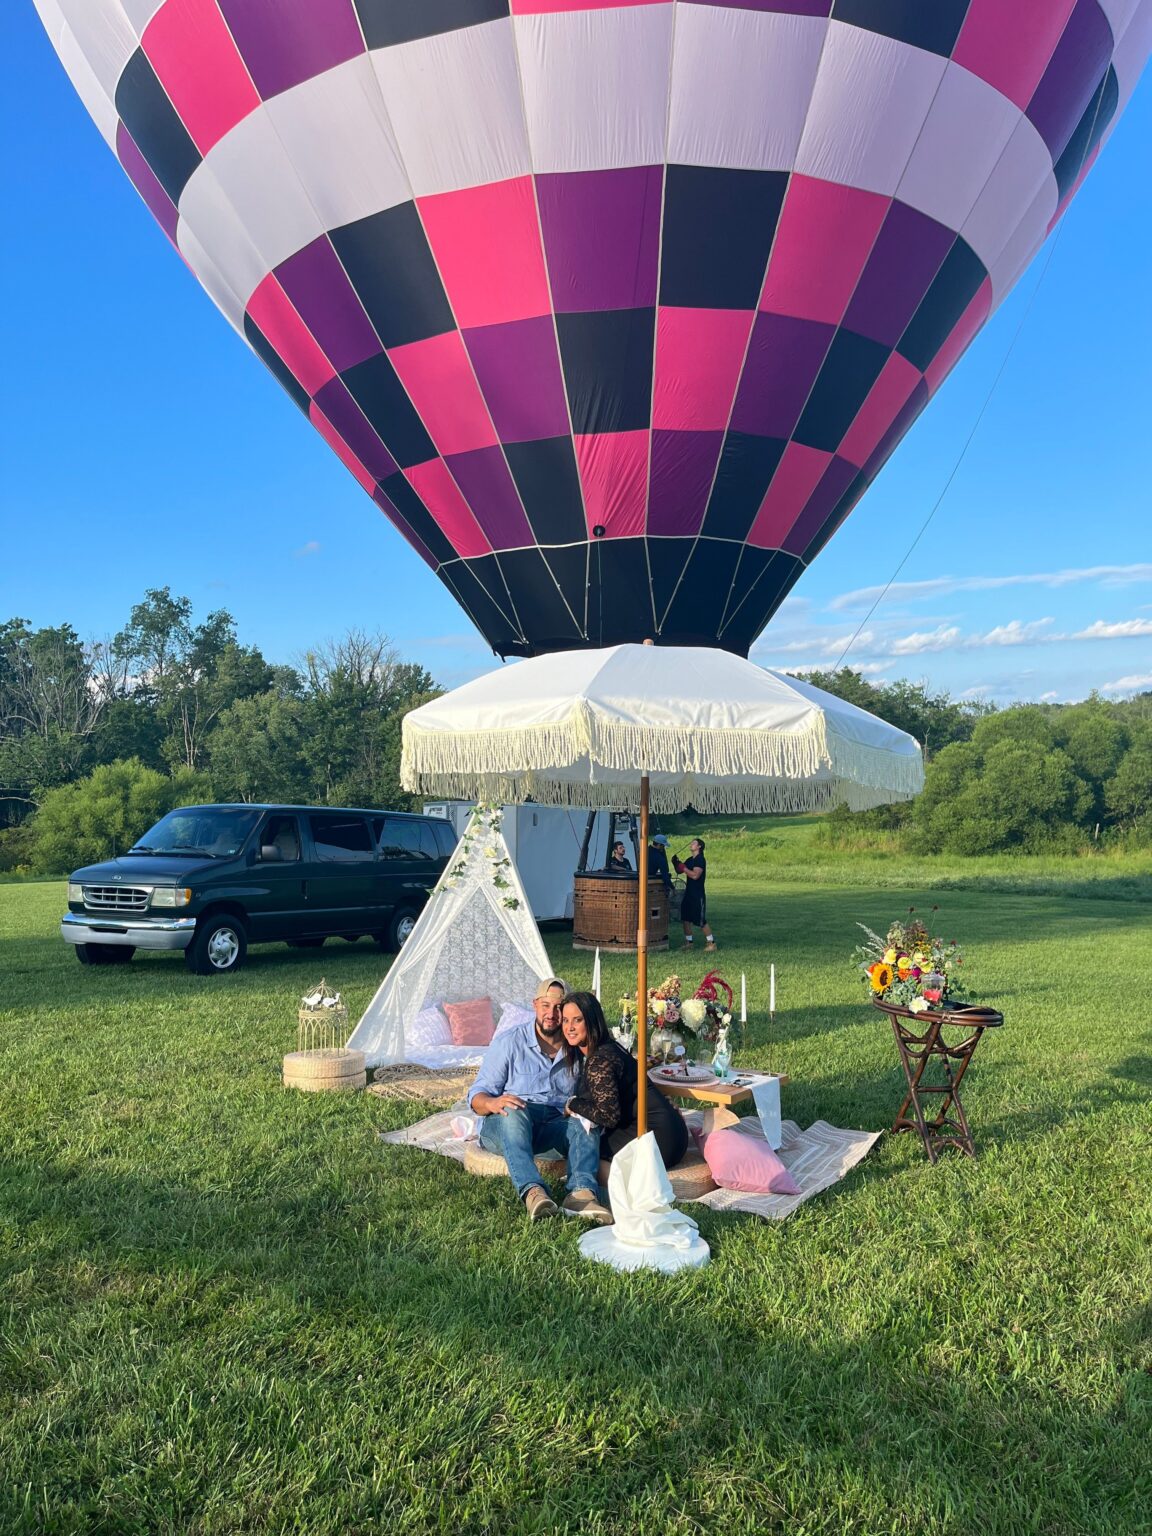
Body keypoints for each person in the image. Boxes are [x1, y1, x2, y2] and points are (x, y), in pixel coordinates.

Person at [468, 977, 613, 1224]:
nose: (552, 1014)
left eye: (559, 1008)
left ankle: (581, 1194)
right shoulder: (510, 1042)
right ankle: (533, 1192)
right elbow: (477, 1096)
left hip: (553, 1125)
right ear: (535, 1004)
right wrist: (493, 1103)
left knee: (584, 1120)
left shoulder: (577, 1046)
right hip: (507, 1124)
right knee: (513, 1110)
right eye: (546, 1005)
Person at [560, 991, 689, 1170]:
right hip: (676, 1135)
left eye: (577, 1020)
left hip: (655, 1140)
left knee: (580, 1149)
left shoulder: (599, 1060)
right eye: (565, 1020)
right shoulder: (611, 1047)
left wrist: (572, 1103)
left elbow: (608, 1116)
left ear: (592, 1020)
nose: (569, 1027)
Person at [673, 837, 716, 951]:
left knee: (700, 920)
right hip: (689, 893)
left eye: (694, 843)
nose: (691, 844)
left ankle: (711, 943)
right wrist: (676, 863)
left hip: (698, 894)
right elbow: (679, 870)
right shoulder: (690, 859)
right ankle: (689, 942)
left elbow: (695, 875)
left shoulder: (700, 859)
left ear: (699, 846)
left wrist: (684, 868)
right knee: (686, 918)